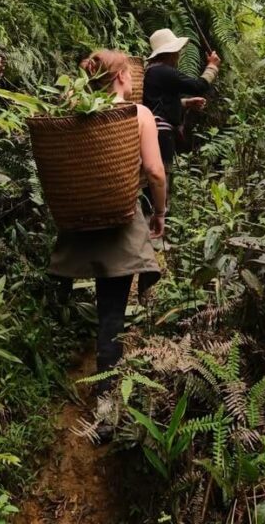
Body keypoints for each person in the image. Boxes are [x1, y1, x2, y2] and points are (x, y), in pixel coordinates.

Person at [48, 50, 166, 428]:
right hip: (120, 226)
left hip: (75, 225)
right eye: (130, 76)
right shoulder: (138, 115)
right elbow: (155, 172)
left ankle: (49, 367)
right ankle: (106, 406)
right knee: (111, 316)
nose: (133, 83)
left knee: (60, 304)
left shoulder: (73, 112)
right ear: (119, 78)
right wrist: (159, 213)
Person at [143, 28, 221, 204]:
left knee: (154, 181)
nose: (178, 55)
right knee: (160, 179)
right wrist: (212, 67)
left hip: (155, 133)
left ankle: (155, 217)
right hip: (161, 136)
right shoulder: (163, 71)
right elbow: (198, 85)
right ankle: (157, 218)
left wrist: (186, 103)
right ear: (170, 53)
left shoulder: (152, 72)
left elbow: (159, 102)